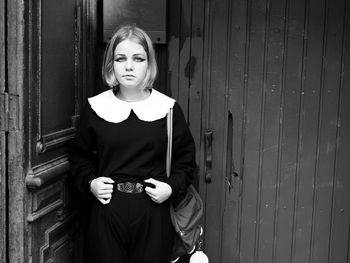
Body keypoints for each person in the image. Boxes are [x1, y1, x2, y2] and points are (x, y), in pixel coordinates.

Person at [68, 24, 196, 263]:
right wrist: (91, 182)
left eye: (138, 58)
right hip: (106, 213)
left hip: (154, 214)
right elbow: (79, 156)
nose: (128, 66)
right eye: (120, 58)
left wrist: (170, 188)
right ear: (111, 64)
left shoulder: (167, 109)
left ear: (149, 64)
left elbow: (186, 163)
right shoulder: (95, 107)